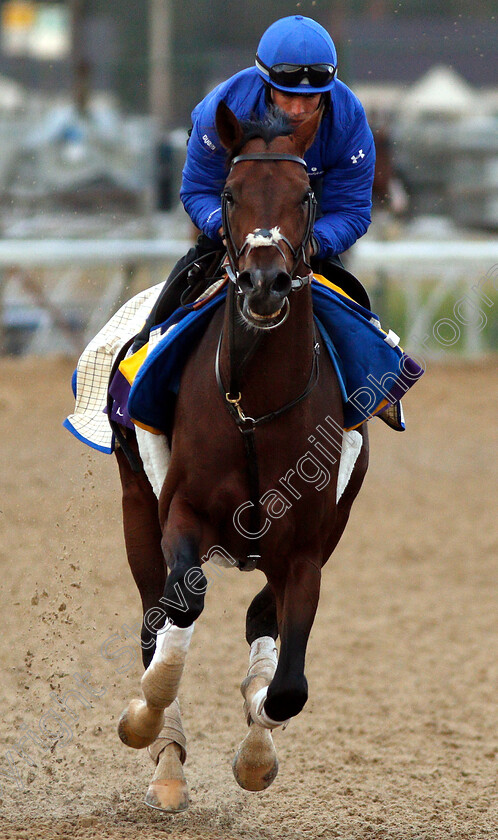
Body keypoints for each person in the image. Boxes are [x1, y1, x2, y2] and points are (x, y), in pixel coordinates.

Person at [134, 14, 375, 349]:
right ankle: (137, 366)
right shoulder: (221, 108)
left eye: (310, 98)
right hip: (236, 215)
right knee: (164, 315)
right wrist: (228, 230)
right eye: (287, 94)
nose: (297, 109)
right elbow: (197, 190)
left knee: (364, 328)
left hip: (304, 221)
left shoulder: (349, 122)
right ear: (266, 84)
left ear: (328, 90)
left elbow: (352, 211)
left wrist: (310, 243)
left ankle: (379, 397)